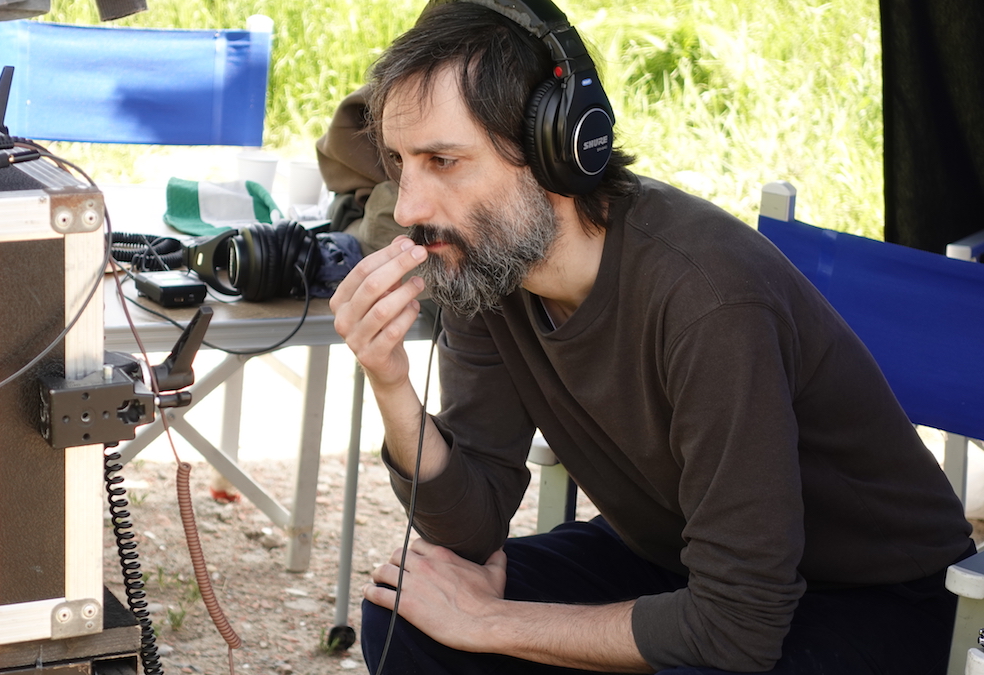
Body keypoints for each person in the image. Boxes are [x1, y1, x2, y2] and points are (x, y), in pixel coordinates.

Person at [328, 1, 975, 674]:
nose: (407, 209)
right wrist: (391, 380)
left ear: (558, 150)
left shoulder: (708, 298)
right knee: (407, 613)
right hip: (685, 561)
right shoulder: (491, 262)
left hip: (880, 601)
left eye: (443, 160)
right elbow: (470, 527)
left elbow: (737, 628)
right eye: (403, 163)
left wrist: (492, 621)